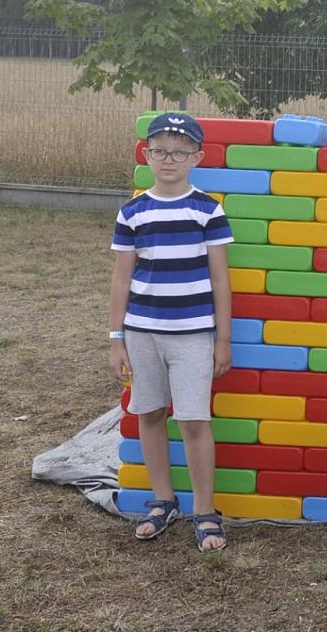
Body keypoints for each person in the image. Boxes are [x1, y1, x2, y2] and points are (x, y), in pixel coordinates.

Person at [109, 112, 233, 552]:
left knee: (194, 420)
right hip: (142, 332)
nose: (168, 159)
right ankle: (163, 500)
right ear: (146, 154)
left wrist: (222, 339)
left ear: (197, 157)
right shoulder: (133, 211)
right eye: (160, 151)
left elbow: (220, 278)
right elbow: (122, 278)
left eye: (180, 152)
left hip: (193, 334)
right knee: (149, 413)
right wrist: (116, 338)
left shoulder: (208, 209)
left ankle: (205, 510)